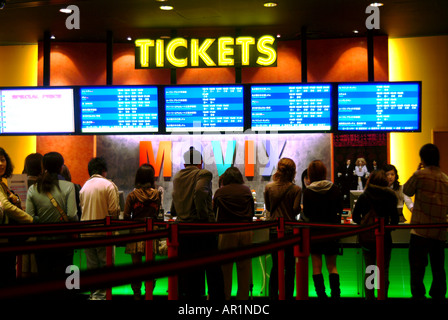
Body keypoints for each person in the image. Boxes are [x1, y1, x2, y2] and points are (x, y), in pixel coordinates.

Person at [170, 146, 224, 301]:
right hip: (202, 229)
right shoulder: (203, 173)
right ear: (200, 162)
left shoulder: (178, 176)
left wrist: (176, 211)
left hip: (183, 231)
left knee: (192, 274)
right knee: (213, 272)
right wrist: (203, 217)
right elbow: (200, 192)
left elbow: (175, 196)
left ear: (185, 163)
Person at [403, 143, 448, 301]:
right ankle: (439, 295)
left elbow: (406, 191)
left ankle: (418, 296)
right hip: (439, 232)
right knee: (438, 268)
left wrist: (417, 171)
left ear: (422, 158)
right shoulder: (445, 179)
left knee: (417, 268)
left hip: (420, 232)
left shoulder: (420, 175)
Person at [26, 152, 78, 286]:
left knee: (45, 279)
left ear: (43, 167)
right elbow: (72, 215)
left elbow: (29, 217)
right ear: (61, 167)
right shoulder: (69, 187)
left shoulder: (33, 188)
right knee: (65, 280)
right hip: (64, 242)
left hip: (42, 242)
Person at [351, 169, 399, 300]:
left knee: (370, 269)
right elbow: (395, 220)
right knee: (384, 270)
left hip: (367, 240)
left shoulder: (364, 196)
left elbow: (355, 217)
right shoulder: (391, 196)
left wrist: (366, 223)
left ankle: (370, 298)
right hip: (385, 238)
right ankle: (382, 297)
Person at [80, 156, 120, 300]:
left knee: (92, 268)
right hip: (104, 233)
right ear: (104, 171)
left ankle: (94, 295)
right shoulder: (109, 185)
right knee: (106, 267)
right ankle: (101, 297)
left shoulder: (84, 186)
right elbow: (114, 211)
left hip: (86, 233)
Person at [302, 160, 343, 299]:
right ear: (324, 172)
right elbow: (340, 209)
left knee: (316, 266)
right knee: (332, 266)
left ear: (310, 174)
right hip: (331, 231)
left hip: (315, 232)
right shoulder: (335, 189)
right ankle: (336, 295)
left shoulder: (308, 192)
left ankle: (321, 296)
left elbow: (306, 213)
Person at [213, 166, 254, 300]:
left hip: (227, 232)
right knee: (244, 269)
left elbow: (213, 214)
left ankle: (225, 299)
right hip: (245, 231)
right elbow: (252, 213)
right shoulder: (247, 190)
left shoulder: (220, 192)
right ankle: (243, 299)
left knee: (225, 269)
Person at [264, 157, 302, 300]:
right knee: (290, 267)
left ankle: (273, 296)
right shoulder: (296, 189)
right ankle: (288, 296)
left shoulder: (269, 187)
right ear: (293, 172)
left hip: (274, 230)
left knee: (276, 265)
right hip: (290, 231)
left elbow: (268, 208)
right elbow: (295, 210)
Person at [123, 163, 161, 300]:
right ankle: (149, 294)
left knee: (136, 268)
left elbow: (126, 216)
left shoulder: (132, 196)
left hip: (135, 234)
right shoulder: (157, 194)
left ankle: (137, 295)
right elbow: (157, 213)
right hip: (152, 233)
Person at [0, 147, 34, 288]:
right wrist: (31, 220)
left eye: (2, 160)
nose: (1, 164)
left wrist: (17, 200)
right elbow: (6, 206)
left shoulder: (2, 184)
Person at [21, 152, 43, 279]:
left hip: (22, 230)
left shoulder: (18, 183)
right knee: (36, 268)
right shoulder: (42, 186)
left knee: (23, 267)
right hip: (38, 230)